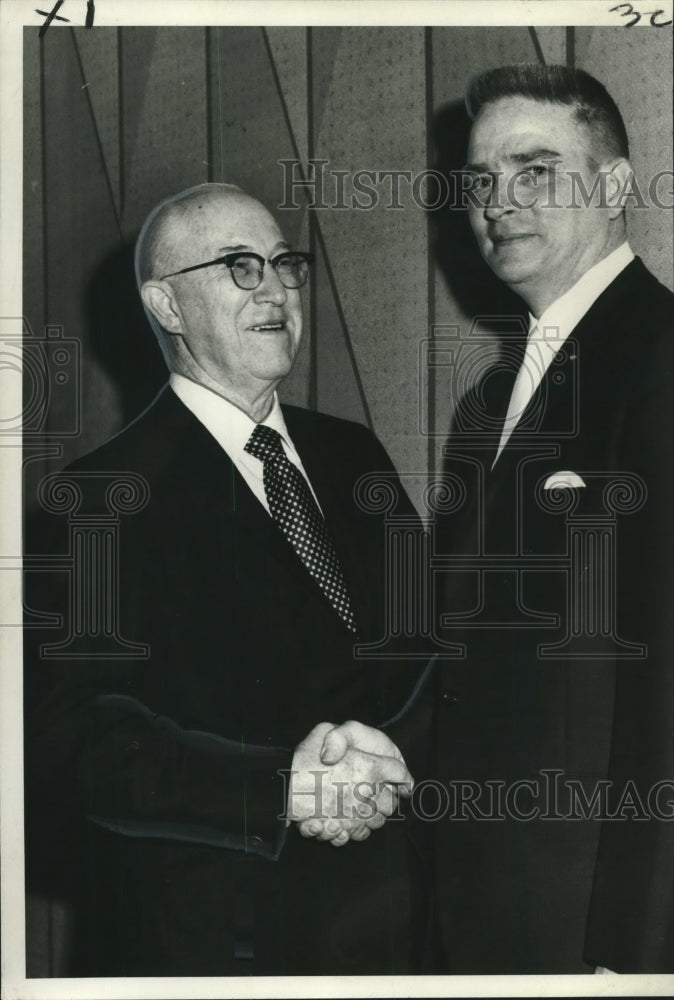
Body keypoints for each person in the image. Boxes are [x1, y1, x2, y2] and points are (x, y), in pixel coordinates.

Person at [24, 183, 426, 976]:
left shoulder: (354, 455)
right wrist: (282, 788)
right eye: (240, 268)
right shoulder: (102, 499)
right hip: (219, 939)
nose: (276, 288)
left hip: (399, 914)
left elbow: (431, 653)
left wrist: (388, 767)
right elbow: (78, 742)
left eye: (284, 264)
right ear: (167, 307)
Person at [432, 65, 673, 973]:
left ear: (614, 185)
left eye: (535, 171)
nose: (500, 202)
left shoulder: (659, 356)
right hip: (482, 909)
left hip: (593, 927)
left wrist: (641, 950)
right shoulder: (488, 406)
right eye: (482, 181)